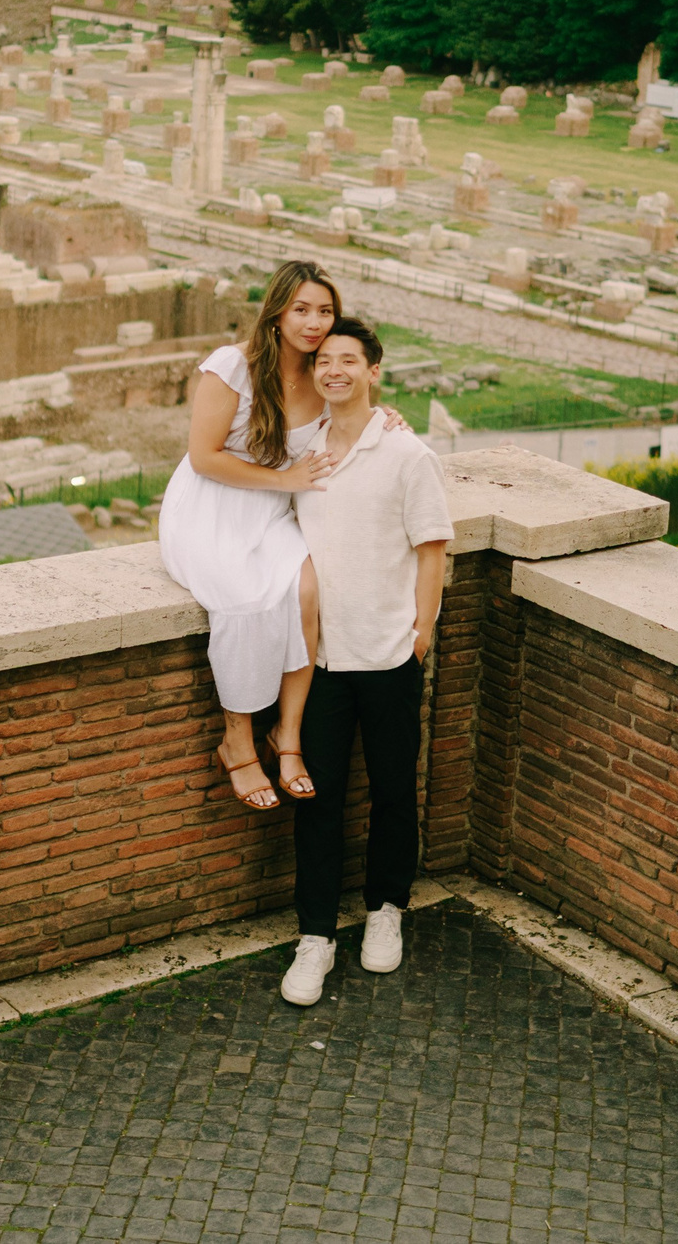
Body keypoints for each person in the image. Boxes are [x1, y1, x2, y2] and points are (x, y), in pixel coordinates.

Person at [160, 262, 390, 810]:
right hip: (209, 506)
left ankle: (287, 736)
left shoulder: (322, 371)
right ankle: (236, 738)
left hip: (273, 514)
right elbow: (203, 457)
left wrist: (389, 419)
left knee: (307, 591)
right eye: (302, 309)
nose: (314, 323)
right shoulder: (233, 366)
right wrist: (284, 478)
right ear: (278, 310)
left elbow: (356, 407)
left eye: (325, 311)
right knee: (241, 597)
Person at [279, 317, 452, 1006]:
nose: (335, 369)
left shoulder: (409, 454)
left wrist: (422, 630)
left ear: (374, 370)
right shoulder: (306, 451)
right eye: (324, 360)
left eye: (349, 359)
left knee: (391, 791)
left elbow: (433, 546)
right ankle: (315, 936)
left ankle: (386, 911)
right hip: (318, 659)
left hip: (387, 653)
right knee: (316, 802)